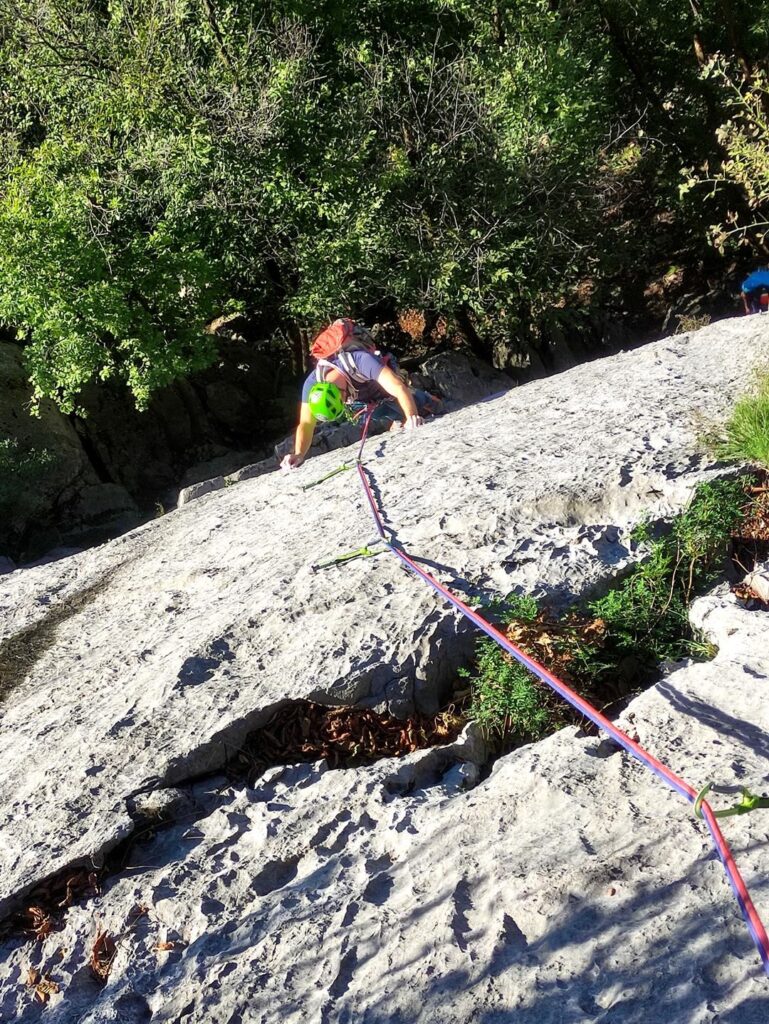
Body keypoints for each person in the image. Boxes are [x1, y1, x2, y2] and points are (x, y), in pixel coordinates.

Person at [280, 319, 440, 470]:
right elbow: (306, 423)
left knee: (409, 403)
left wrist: (412, 416)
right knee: (375, 414)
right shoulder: (312, 383)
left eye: (342, 402)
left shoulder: (360, 361)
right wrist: (299, 454)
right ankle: (396, 418)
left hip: (379, 385)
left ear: (342, 396)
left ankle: (427, 399)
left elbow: (398, 387)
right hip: (360, 396)